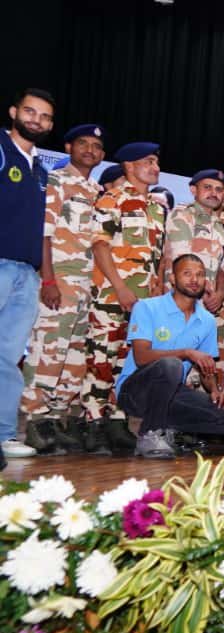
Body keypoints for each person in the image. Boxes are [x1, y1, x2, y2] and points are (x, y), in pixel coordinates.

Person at [21, 123, 104, 455]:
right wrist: (49, 280)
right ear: (68, 148)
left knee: (73, 356)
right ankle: (35, 419)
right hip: (60, 278)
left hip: (86, 285)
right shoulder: (56, 181)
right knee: (48, 350)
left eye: (96, 146)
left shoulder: (97, 191)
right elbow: (44, 233)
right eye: (83, 143)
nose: (90, 150)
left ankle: (57, 418)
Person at [81, 141, 166, 455]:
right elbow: (100, 245)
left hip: (143, 302)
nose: (155, 167)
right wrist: (119, 286)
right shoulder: (112, 198)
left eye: (156, 162)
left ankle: (117, 421)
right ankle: (92, 422)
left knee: (126, 361)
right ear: (129, 165)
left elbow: (157, 256)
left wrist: (157, 289)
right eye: (149, 161)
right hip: (111, 294)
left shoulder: (157, 208)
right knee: (102, 357)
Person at [115, 254, 224, 458]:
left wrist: (214, 389)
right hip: (135, 391)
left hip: (171, 392)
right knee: (171, 365)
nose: (194, 279)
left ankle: (164, 427)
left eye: (200, 275)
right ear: (173, 279)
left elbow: (206, 367)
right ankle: (150, 433)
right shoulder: (147, 307)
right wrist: (186, 352)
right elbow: (141, 357)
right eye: (187, 273)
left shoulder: (207, 320)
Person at [0, 88, 54, 462]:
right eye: (30, 112)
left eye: (45, 116)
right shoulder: (2, 150)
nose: (37, 120)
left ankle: (4, 434)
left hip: (26, 273)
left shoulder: (40, 170)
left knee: (7, 358)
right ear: (14, 112)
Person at [158, 169, 224, 369]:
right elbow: (182, 262)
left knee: (204, 365)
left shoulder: (219, 224)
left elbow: (221, 265)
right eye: (207, 187)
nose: (214, 193)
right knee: (177, 360)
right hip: (182, 302)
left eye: (219, 189)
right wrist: (207, 289)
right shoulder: (183, 214)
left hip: (207, 304)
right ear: (193, 190)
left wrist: (219, 293)